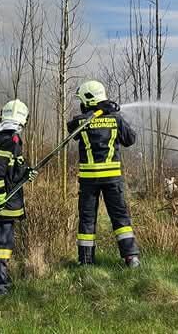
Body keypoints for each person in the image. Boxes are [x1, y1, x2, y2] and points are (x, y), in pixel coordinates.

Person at [67, 80, 141, 268]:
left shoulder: (81, 122)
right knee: (120, 218)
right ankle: (131, 257)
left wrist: (96, 114)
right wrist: (116, 115)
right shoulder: (116, 119)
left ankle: (86, 261)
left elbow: (71, 128)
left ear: (88, 101)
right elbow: (130, 139)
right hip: (112, 180)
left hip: (88, 181)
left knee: (87, 220)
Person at [0, 99, 36, 296]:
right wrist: (1, 196)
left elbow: (8, 169)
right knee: (2, 247)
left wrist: (25, 173)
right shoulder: (10, 140)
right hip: (2, 207)